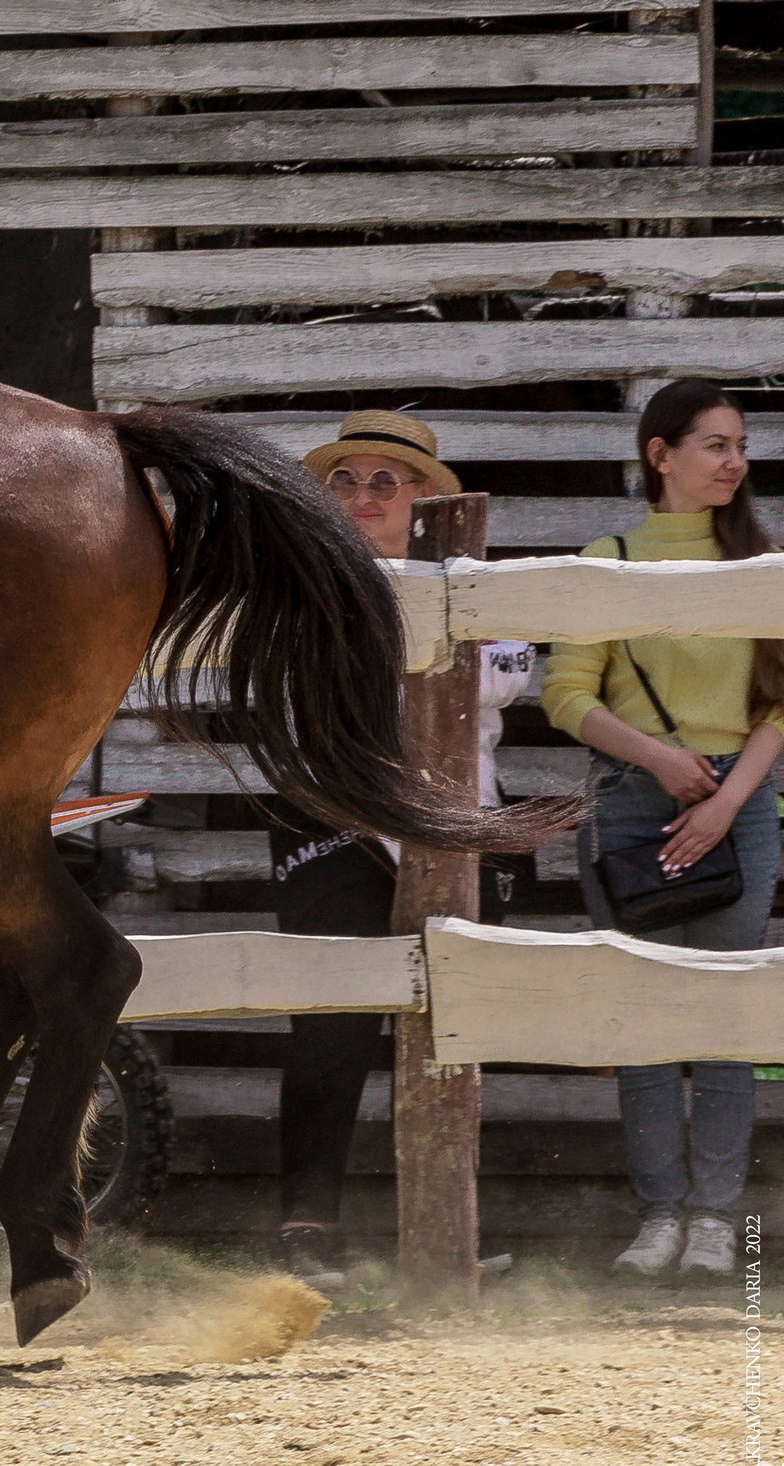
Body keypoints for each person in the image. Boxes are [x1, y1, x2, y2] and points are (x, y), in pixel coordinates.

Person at [268, 412, 534, 1286]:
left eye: (385, 481)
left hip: (459, 820)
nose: (362, 497)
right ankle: (308, 1229)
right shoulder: (300, 580)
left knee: (458, 1025)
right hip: (334, 816)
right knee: (330, 1023)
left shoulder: (479, 582)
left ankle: (450, 1229)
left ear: (426, 497)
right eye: (347, 480)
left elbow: (506, 673)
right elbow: (293, 689)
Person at [543, 378, 784, 1282]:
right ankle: (659, 1217)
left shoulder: (764, 562)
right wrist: (659, 760)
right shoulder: (607, 558)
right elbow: (566, 694)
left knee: (722, 1016)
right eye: (716, 444)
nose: (736, 461)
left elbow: (780, 702)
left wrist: (723, 799)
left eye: (740, 444)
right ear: (661, 455)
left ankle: (717, 1220)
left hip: (743, 802)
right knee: (641, 1019)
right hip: (633, 800)